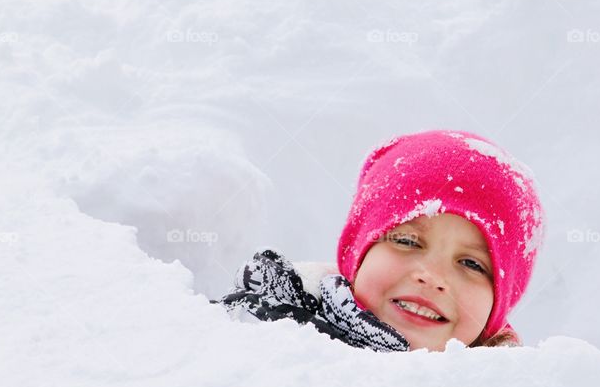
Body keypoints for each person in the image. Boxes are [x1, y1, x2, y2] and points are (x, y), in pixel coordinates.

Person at [212, 129, 545, 352]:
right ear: (358, 254)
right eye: (407, 241)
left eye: (472, 263)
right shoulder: (258, 331)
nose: (430, 276)